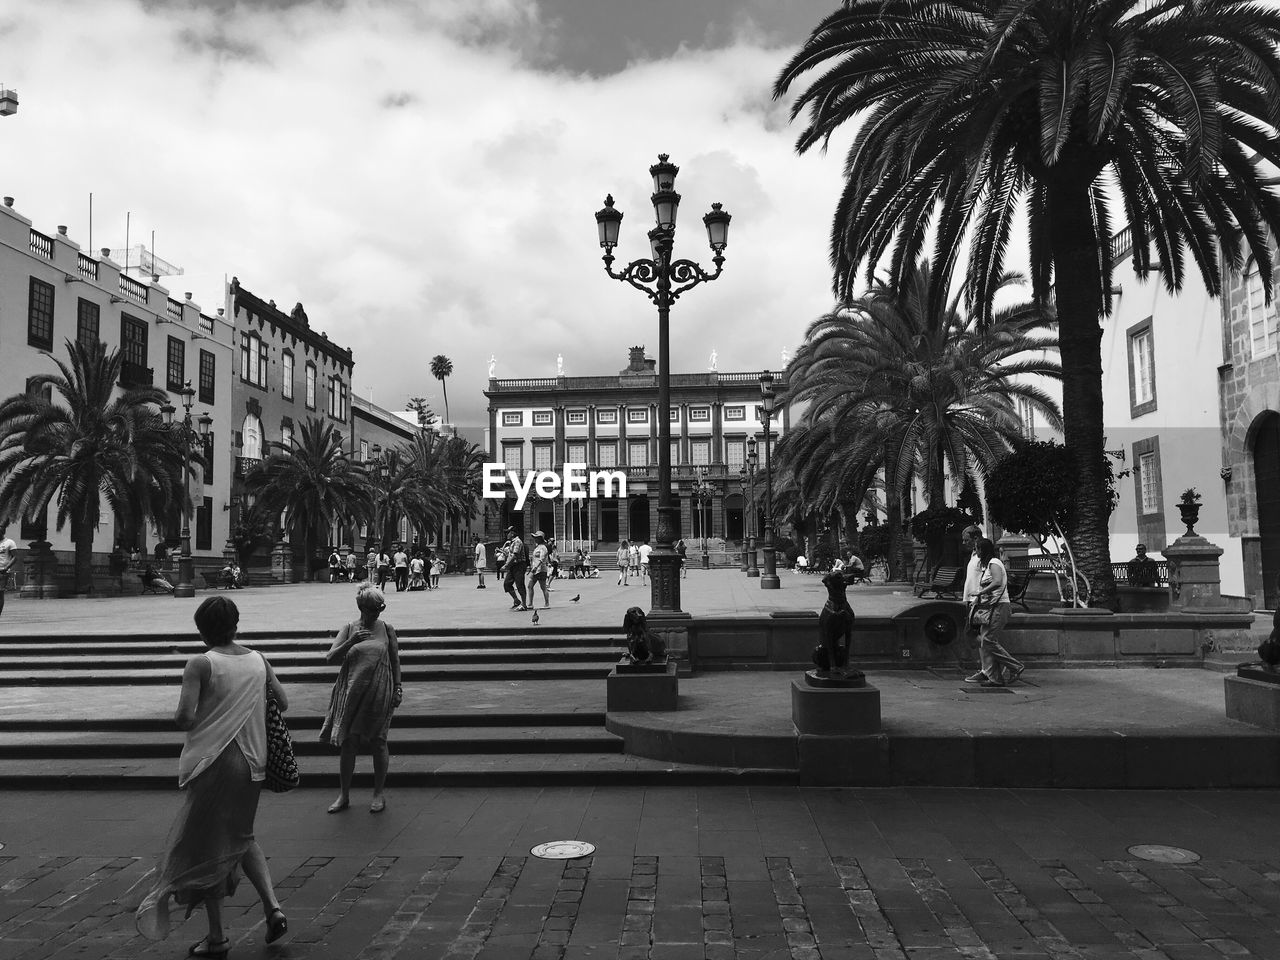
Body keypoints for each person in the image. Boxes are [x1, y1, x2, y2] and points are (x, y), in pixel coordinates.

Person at [132, 596, 289, 955]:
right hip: (254, 762)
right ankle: (272, 907)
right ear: (236, 624)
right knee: (240, 834)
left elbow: (184, 717)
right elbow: (281, 702)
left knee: (207, 846)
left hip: (214, 762)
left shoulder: (200, 664)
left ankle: (217, 937)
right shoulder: (258, 659)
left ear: (202, 630)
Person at [321, 585, 403, 814]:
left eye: (379, 609)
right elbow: (330, 658)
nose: (377, 613)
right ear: (361, 607)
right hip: (351, 691)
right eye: (373, 609)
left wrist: (398, 688)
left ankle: (378, 794)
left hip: (380, 689)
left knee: (378, 741)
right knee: (349, 742)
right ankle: (344, 795)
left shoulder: (386, 629)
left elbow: (395, 661)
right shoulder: (349, 628)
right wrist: (351, 641)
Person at [966, 537, 1024, 686]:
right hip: (990, 608)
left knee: (988, 640)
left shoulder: (994, 563)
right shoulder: (987, 566)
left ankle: (1015, 666)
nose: (976, 551)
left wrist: (980, 593)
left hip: (1000, 607)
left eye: (977, 548)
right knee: (986, 642)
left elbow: (997, 581)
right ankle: (995, 678)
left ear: (982, 550)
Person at [959, 525, 986, 684]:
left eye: (966, 540)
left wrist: (979, 598)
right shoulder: (974, 554)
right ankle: (988, 666)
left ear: (976, 538)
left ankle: (989, 667)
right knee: (973, 635)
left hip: (979, 602)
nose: (964, 543)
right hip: (972, 601)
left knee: (978, 636)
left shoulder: (984, 556)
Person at [501, 526, 529, 611]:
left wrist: (506, 565)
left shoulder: (517, 541)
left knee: (520, 584)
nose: (506, 534)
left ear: (512, 533)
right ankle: (516, 600)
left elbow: (515, 555)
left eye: (508, 533)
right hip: (513, 565)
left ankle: (524, 604)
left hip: (519, 565)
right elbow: (510, 555)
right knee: (507, 584)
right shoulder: (511, 542)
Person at [528, 532, 551, 608]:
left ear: (540, 538)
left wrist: (535, 567)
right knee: (530, 586)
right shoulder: (537, 547)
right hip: (535, 570)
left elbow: (541, 559)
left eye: (536, 537)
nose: (535, 539)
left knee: (543, 587)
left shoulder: (543, 548)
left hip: (541, 570)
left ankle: (547, 603)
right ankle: (530, 604)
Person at [0, 526, 16, 618]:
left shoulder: (9, 543)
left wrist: (6, 568)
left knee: (0, 593)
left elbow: (15, 557)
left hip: (2, 572)